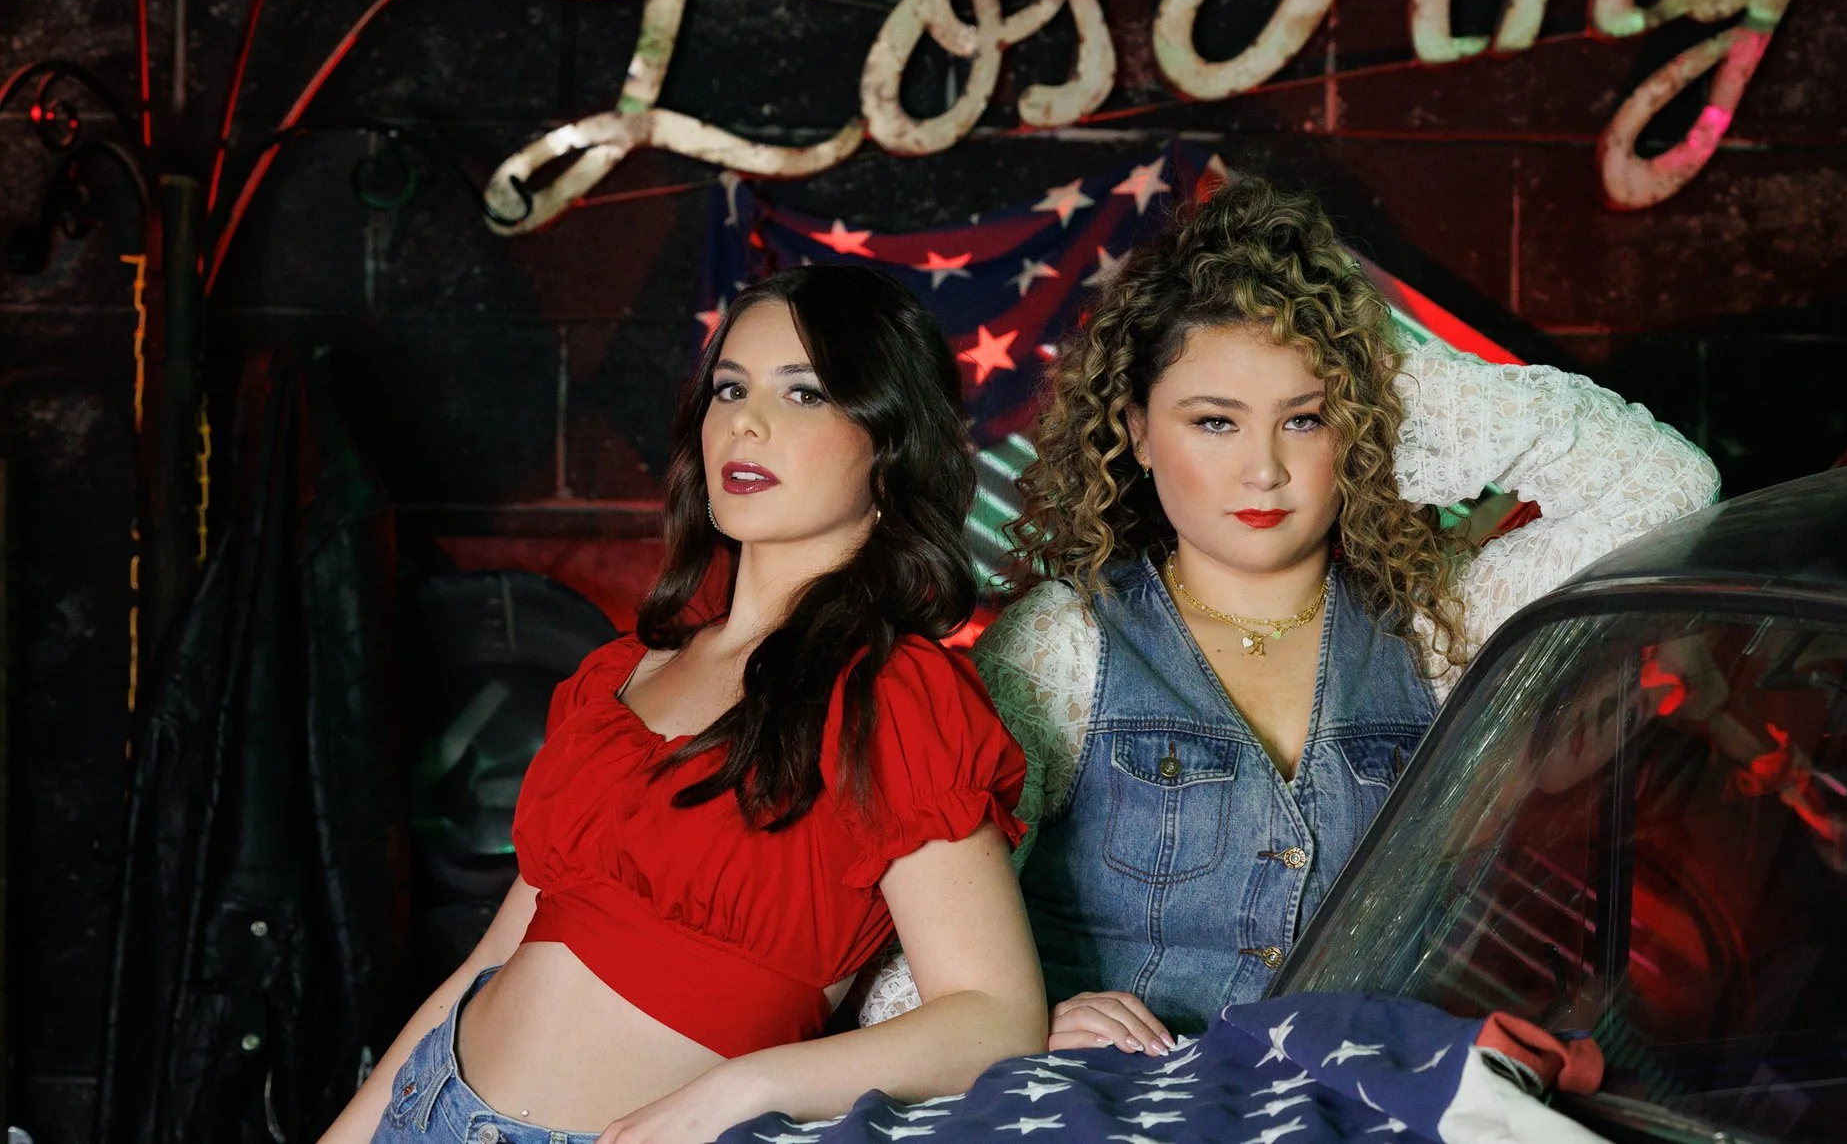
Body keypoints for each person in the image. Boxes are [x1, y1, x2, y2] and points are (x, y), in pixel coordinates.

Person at [859, 177, 1719, 1051]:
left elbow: (1667, 486)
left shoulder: (1436, 624)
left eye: (1304, 419)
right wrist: (1028, 1026)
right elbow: (909, 957)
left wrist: (1385, 378)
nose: (1264, 470)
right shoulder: (1063, 642)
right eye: (1215, 422)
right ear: (1139, 432)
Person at [319, 266, 1047, 1144]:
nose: (746, 421)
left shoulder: (893, 695)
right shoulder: (618, 676)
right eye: (729, 388)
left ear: (889, 448)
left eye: (805, 393)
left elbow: (995, 1019)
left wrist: (735, 1093)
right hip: (431, 1108)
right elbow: (494, 954)